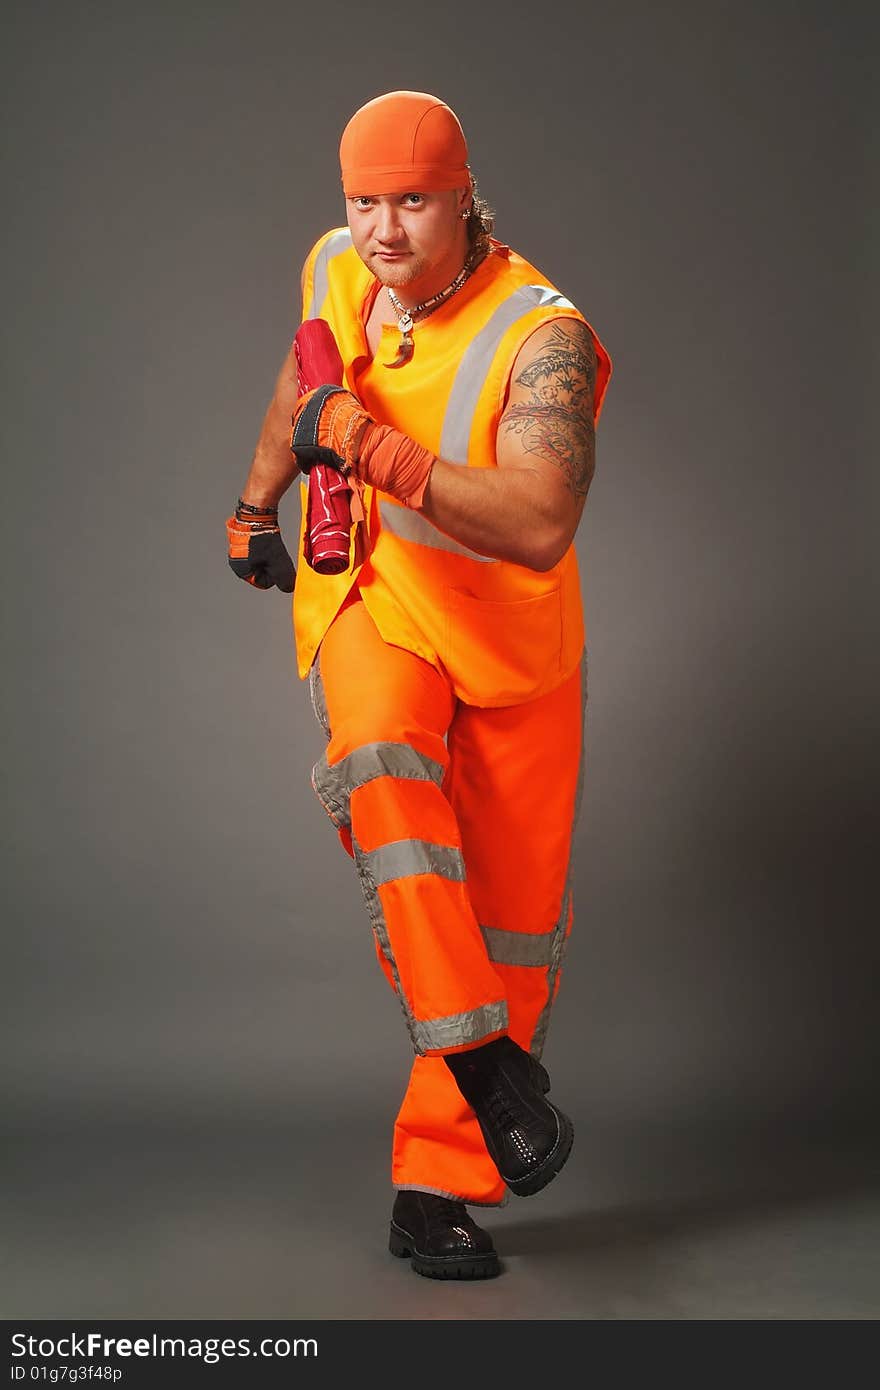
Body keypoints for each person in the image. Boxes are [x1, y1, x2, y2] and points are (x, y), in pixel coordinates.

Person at [226, 90, 612, 1280]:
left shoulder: (541, 333)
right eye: (362, 199)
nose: (380, 229)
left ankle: (431, 1185)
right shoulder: (337, 262)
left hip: (511, 640)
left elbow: (543, 522)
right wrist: (253, 504)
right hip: (373, 595)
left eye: (408, 200)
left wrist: (375, 447)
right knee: (381, 766)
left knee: (511, 934)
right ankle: (492, 1071)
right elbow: (310, 384)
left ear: (461, 194)